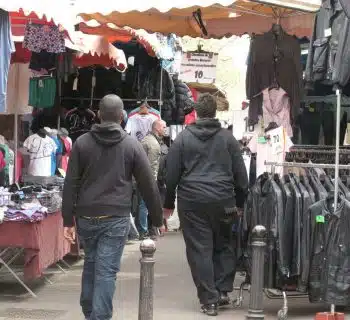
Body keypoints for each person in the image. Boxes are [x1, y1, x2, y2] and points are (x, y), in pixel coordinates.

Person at [62, 94, 163, 320]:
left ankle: (90, 310)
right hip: (115, 217)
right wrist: (157, 219)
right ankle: (98, 316)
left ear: (98, 114)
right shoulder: (131, 145)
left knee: (91, 263)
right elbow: (148, 184)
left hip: (86, 216)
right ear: (121, 117)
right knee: (106, 271)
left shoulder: (82, 143)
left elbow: (71, 183)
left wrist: (67, 220)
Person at [163, 93, 249, 316]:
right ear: (214, 112)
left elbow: (171, 174)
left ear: (197, 112)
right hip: (223, 200)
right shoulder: (228, 139)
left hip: (192, 202)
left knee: (199, 249)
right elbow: (242, 176)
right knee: (224, 245)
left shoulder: (182, 139)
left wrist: (168, 202)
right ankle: (221, 291)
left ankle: (209, 299)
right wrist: (240, 202)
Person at [138, 119, 167, 239]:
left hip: (143, 178)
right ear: (158, 128)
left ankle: (147, 229)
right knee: (145, 204)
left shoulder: (149, 139)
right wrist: (153, 183)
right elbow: (151, 166)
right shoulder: (154, 144)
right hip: (147, 179)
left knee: (144, 204)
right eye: (164, 127)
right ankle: (144, 231)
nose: (165, 130)